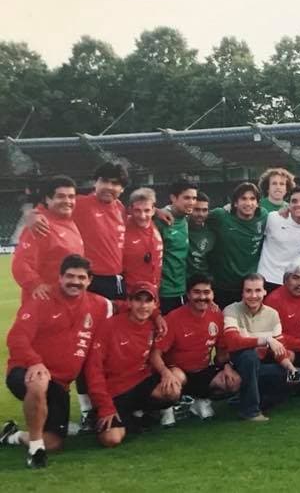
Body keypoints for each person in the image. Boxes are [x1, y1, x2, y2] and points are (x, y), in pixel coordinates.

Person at [2, 255, 112, 468]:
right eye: (69, 276)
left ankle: (13, 436)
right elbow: (17, 337)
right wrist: (35, 361)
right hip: (25, 370)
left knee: (54, 443)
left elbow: (125, 307)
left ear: (89, 280)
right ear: (60, 278)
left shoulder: (98, 305)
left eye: (81, 277)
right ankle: (35, 451)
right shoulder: (41, 299)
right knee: (39, 381)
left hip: (60, 385)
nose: (75, 281)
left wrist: (155, 316)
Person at [83, 282, 180, 448]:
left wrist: (165, 372)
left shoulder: (153, 325)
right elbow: (94, 370)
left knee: (173, 388)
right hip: (114, 391)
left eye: (148, 301)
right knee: (111, 439)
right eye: (138, 300)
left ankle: (139, 414)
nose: (143, 306)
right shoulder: (109, 326)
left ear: (155, 304)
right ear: (129, 302)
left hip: (140, 382)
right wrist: (105, 405)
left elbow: (155, 354)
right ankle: (108, 417)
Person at [152, 274, 241, 423]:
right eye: (197, 292)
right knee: (174, 384)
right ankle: (168, 408)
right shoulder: (173, 318)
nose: (202, 297)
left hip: (202, 370)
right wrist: (165, 373)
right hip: (178, 372)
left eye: (206, 292)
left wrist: (226, 366)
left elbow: (221, 350)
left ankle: (200, 401)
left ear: (212, 294)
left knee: (234, 381)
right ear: (188, 294)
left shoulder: (216, 314)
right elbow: (155, 354)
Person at [221, 274, 300, 422]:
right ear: (242, 293)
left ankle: (249, 401)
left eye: (258, 290)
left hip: (260, 369)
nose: (253, 296)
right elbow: (233, 342)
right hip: (238, 368)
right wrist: (266, 340)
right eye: (248, 291)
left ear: (264, 292)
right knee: (249, 356)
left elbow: (279, 350)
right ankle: (250, 412)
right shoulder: (231, 310)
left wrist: (291, 368)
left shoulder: (272, 314)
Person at [12, 175, 84, 303]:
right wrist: (36, 285)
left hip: (68, 301)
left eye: (71, 197)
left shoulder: (69, 221)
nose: (67, 201)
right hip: (46, 304)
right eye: (60, 196)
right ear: (47, 199)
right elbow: (21, 263)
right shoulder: (40, 225)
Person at [68, 163, 128, 299]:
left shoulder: (120, 208)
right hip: (92, 280)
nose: (109, 187)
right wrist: (35, 214)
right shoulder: (80, 204)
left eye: (115, 183)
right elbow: (51, 207)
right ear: (95, 182)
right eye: (104, 181)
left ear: (122, 189)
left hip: (116, 280)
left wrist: (159, 211)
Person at [204, 183, 269, 309]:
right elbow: (194, 215)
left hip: (250, 288)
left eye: (252, 199)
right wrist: (158, 211)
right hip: (223, 286)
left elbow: (284, 211)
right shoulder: (220, 216)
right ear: (235, 203)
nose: (248, 203)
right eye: (243, 198)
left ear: (258, 203)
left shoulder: (263, 216)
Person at [257, 187, 300, 292]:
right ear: (288, 204)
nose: (299, 204)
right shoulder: (273, 218)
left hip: (295, 282)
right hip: (268, 278)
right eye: (294, 201)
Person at [156, 180, 197, 314]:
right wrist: (155, 210)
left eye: (194, 198)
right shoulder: (160, 220)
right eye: (186, 198)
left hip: (181, 288)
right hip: (163, 292)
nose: (191, 202)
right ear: (173, 198)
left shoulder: (185, 218)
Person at [122, 188, 163, 289]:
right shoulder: (122, 226)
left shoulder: (157, 224)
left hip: (153, 294)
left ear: (153, 210)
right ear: (130, 210)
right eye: (137, 210)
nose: (142, 216)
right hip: (131, 294)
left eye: (147, 210)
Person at [187, 192, 216, 279]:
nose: (201, 214)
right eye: (197, 209)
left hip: (203, 283)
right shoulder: (180, 227)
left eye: (204, 210)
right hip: (182, 284)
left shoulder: (212, 233)